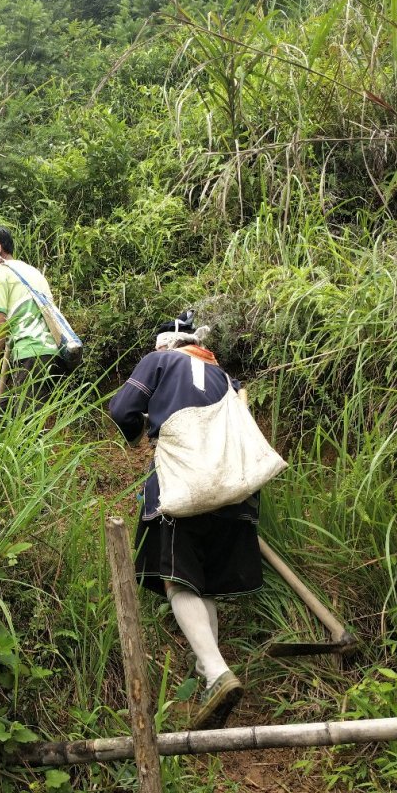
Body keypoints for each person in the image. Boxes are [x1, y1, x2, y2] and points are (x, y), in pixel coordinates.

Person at [108, 311, 263, 730]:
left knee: (178, 581)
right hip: (238, 492)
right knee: (202, 583)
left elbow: (122, 408)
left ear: (165, 345)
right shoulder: (227, 378)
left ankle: (215, 673)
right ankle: (206, 671)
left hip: (184, 486)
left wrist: (138, 434)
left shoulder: (159, 360)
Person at [0, 225, 60, 408]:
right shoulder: (32, 272)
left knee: (27, 428)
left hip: (30, 351)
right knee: (11, 415)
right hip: (52, 353)